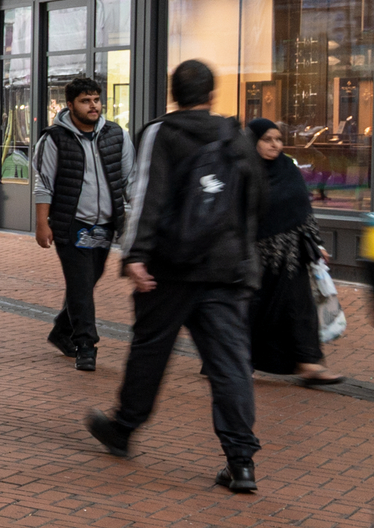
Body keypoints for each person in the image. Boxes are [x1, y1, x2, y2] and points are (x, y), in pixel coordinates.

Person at [87, 58, 264, 493]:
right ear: (211, 96)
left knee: (150, 351)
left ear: (174, 94)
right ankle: (241, 461)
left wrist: (136, 254)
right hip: (225, 269)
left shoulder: (161, 133)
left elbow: (148, 193)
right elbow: (255, 198)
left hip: (169, 268)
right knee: (229, 366)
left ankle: (124, 428)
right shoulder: (235, 136)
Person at [32, 75, 127, 372]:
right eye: (86, 101)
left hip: (103, 226)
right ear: (70, 105)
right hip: (71, 224)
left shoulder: (116, 135)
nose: (93, 106)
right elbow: (43, 183)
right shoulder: (54, 138)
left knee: (86, 282)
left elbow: (129, 179)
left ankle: (62, 331)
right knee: (81, 282)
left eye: (96, 100)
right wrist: (41, 223)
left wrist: (130, 217)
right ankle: (86, 345)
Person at [246, 118, 342, 386]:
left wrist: (317, 243)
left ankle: (309, 362)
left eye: (278, 139)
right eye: (267, 139)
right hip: (257, 256)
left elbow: (303, 208)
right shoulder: (243, 170)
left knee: (300, 307)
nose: (275, 145)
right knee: (255, 310)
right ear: (253, 142)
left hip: (292, 252)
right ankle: (237, 361)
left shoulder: (288, 168)